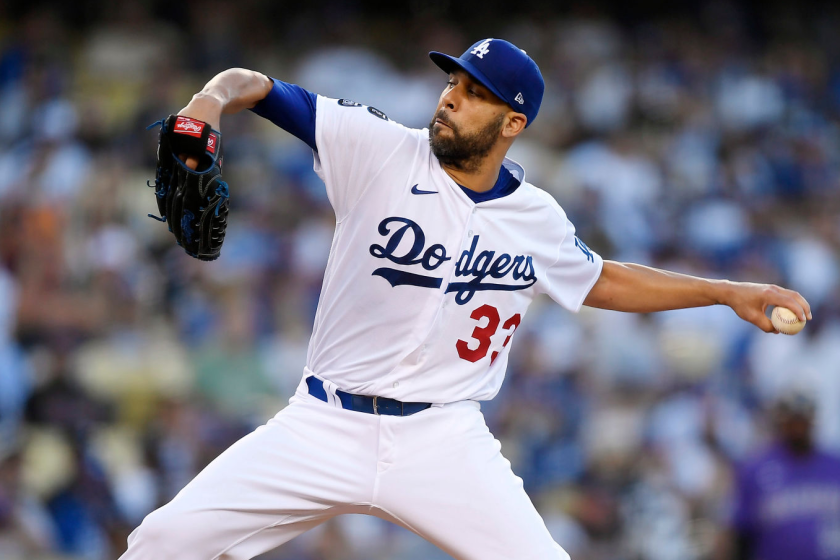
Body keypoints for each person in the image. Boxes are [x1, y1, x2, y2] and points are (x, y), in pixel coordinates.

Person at [121, 38, 811, 560]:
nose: (450, 96)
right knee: (161, 541)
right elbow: (254, 85)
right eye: (452, 80)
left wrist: (727, 292)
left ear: (513, 122)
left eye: (474, 90)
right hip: (322, 424)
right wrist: (207, 102)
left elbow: (600, 279)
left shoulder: (536, 216)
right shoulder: (378, 148)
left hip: (441, 438)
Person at [720, 390, 840, 560]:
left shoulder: (835, 465)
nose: (798, 425)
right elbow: (739, 531)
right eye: (792, 419)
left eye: (803, 418)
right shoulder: (756, 467)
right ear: (780, 421)